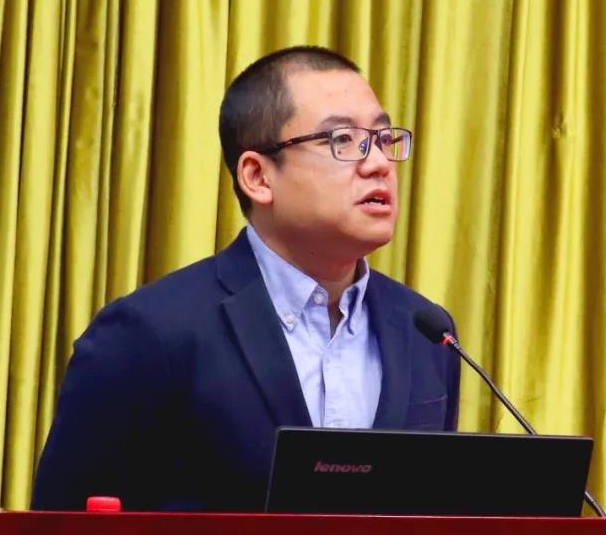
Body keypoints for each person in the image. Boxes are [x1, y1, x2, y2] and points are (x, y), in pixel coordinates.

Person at [31, 46, 460, 511]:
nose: (378, 163)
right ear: (257, 176)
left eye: (382, 138)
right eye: (342, 139)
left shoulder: (427, 334)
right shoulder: (149, 334)